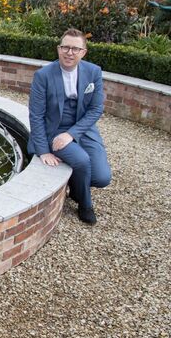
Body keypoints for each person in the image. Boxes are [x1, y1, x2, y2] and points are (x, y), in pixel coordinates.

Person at [27, 28, 111, 224]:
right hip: (54, 129)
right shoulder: (43, 75)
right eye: (65, 47)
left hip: (82, 129)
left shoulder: (93, 72)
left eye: (75, 49)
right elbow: (36, 115)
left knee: (102, 178)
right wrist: (43, 151)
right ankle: (85, 205)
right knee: (81, 160)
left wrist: (72, 134)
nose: (69, 53)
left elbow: (96, 109)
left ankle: (75, 186)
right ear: (58, 49)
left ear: (83, 52)